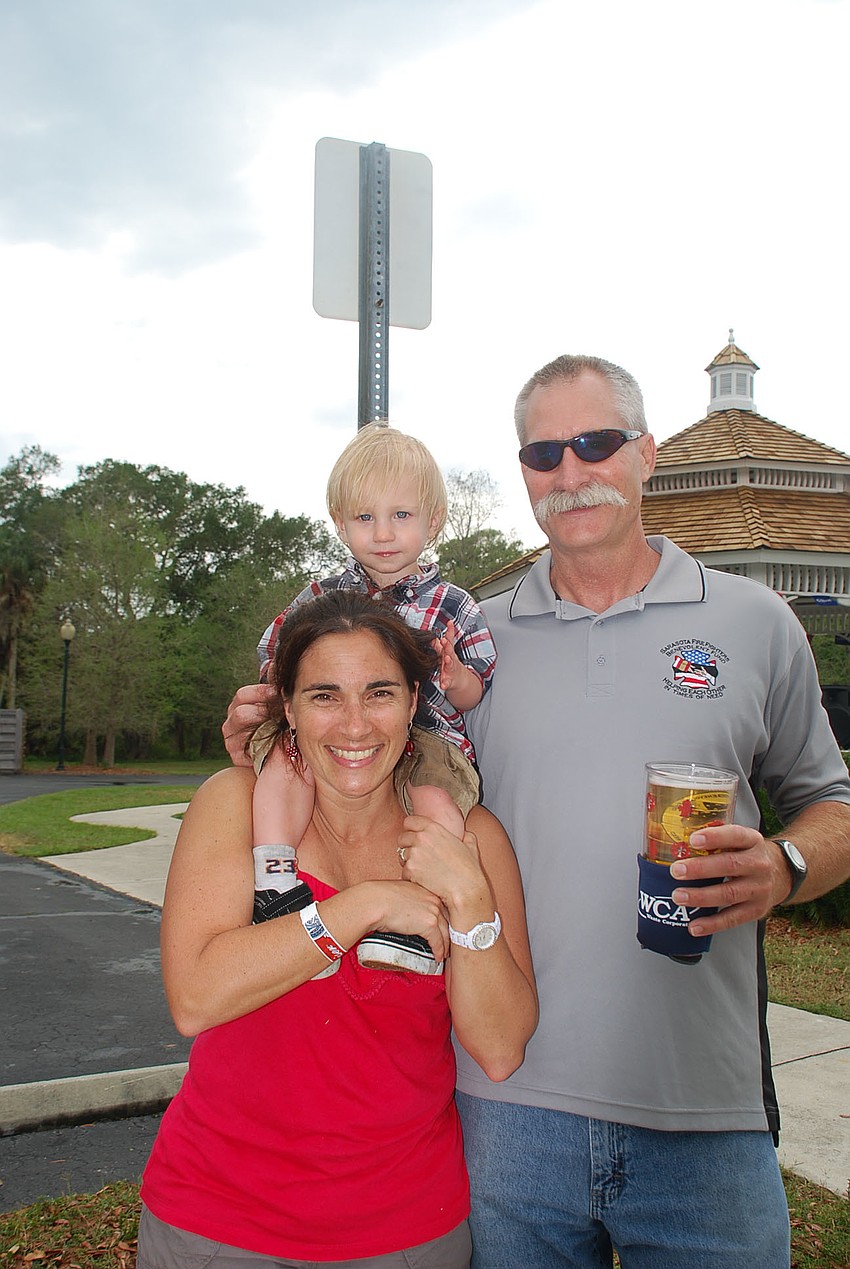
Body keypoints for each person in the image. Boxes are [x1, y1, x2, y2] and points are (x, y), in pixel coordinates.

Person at [224, 353, 850, 1268]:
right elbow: (350, 771)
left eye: (597, 442)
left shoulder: (755, 623)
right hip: (501, 1106)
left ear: (647, 452)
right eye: (543, 452)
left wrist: (785, 865)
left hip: (704, 1112)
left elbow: (833, 802)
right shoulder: (455, 642)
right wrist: (267, 730)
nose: (570, 470)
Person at [141, 591, 537, 1269]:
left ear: (413, 702)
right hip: (216, 1223)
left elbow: (500, 1050)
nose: (355, 725)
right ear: (288, 707)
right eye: (325, 696)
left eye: (379, 693)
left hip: (407, 1232)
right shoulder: (235, 804)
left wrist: (470, 900)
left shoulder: (469, 837)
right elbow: (197, 997)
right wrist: (362, 907)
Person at [251, 422, 499, 974]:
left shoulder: (453, 604)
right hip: (342, 740)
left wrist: (454, 674)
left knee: (436, 805)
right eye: (365, 518)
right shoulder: (321, 597)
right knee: (284, 765)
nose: (383, 533)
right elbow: (273, 653)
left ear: (433, 520)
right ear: (340, 524)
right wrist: (283, 698)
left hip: (429, 737)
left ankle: (419, 911)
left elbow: (474, 690)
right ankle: (274, 885)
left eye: (401, 515)